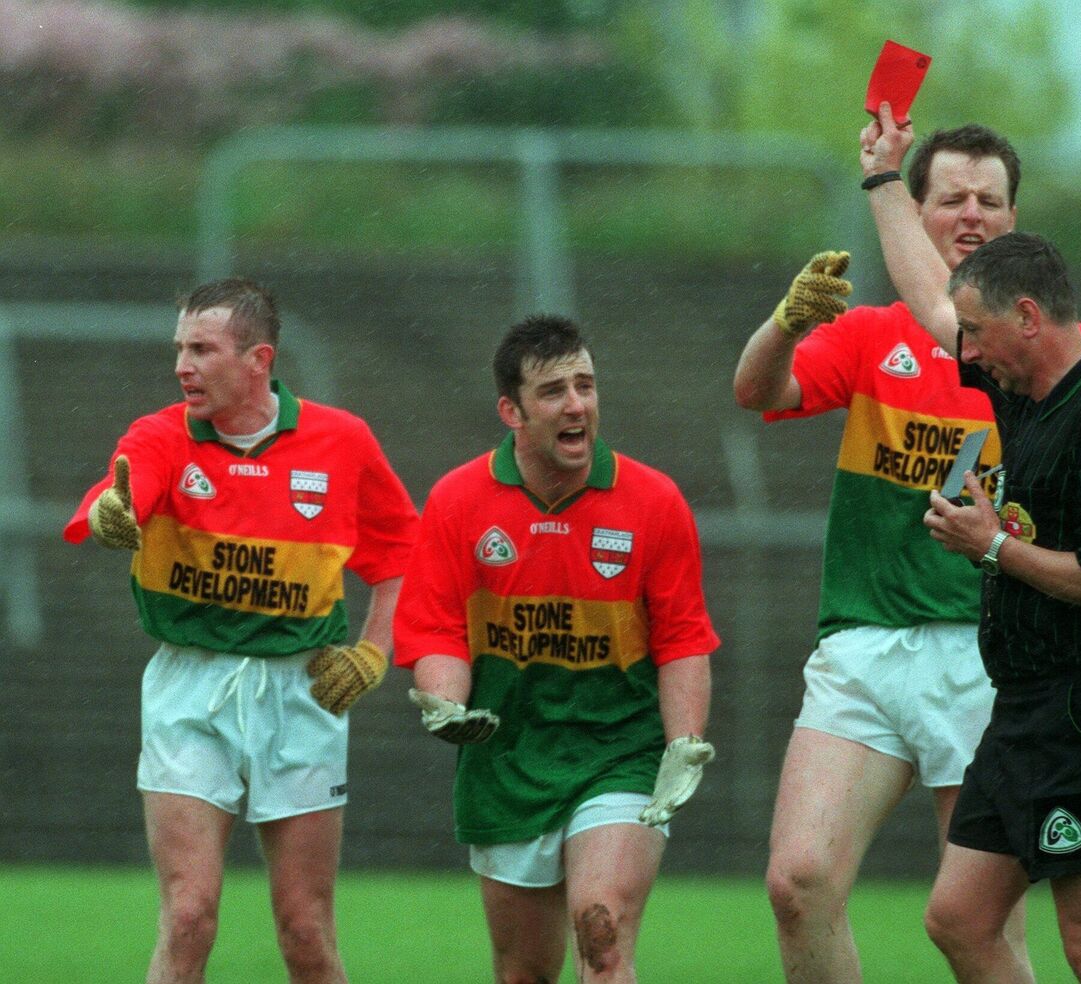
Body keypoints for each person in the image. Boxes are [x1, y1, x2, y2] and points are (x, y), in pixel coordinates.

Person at [733, 112, 1077, 982]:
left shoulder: (1047, 351)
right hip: (864, 644)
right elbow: (755, 389)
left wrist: (880, 177)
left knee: (979, 927)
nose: (971, 214)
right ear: (917, 214)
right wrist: (784, 322)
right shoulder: (871, 335)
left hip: (986, 653)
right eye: (950, 197)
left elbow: (953, 327)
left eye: (990, 201)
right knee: (798, 883)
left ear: (1016, 221)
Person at [63, 277, 420, 984]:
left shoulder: (341, 442)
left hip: (302, 693)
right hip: (190, 690)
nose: (181, 366)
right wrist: (114, 510)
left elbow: (405, 555)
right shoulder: (161, 434)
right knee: (190, 917)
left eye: (201, 349)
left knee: (306, 933)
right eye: (179, 349)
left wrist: (375, 655)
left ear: (259, 359)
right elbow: (122, 489)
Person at [392, 313, 719, 984]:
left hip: (618, 759)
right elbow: (435, 629)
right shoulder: (456, 501)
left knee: (601, 934)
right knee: (523, 973)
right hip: (507, 764)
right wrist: (449, 706)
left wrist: (684, 743)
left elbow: (683, 637)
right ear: (511, 411)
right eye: (553, 392)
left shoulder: (654, 501)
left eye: (586, 385)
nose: (576, 405)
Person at [915, 232, 1081, 983]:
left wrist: (990, 546)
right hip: (1025, 710)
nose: (964, 353)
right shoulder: (1022, 397)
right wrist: (885, 182)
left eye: (977, 332)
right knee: (959, 921)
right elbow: (933, 299)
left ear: (1028, 317)